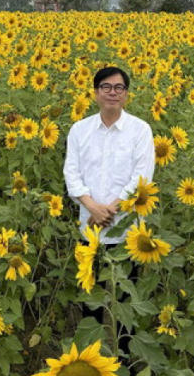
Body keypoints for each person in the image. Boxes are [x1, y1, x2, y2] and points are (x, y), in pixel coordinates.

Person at [63, 66, 155, 245]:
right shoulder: (79, 130)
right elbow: (71, 174)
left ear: (126, 94)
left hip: (126, 230)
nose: (113, 92)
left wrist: (107, 211)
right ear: (96, 93)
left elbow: (142, 178)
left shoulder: (141, 130)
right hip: (88, 227)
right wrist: (92, 208)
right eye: (106, 87)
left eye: (119, 88)